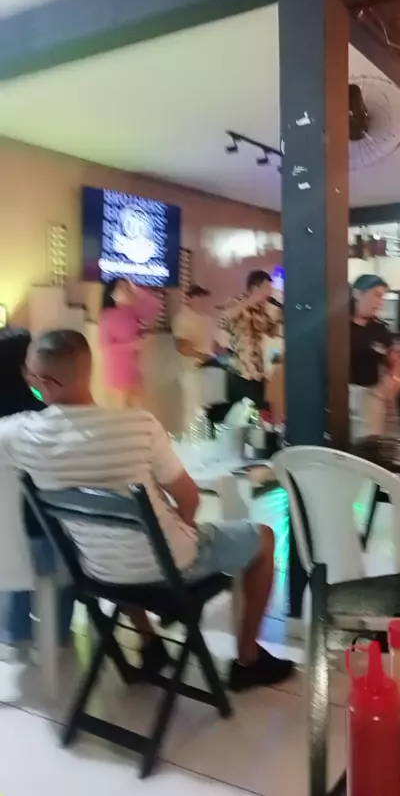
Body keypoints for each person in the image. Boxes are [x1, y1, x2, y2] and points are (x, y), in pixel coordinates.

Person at [0, 329, 293, 692]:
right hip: (169, 567)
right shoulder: (139, 425)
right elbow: (190, 499)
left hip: (98, 571)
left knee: (120, 537)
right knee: (264, 538)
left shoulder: (19, 434)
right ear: (89, 371)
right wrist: (184, 535)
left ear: (40, 381)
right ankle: (248, 659)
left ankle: (151, 642)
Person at [0, 328, 74, 648]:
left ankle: (14, 631)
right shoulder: (42, 414)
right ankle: (57, 633)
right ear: (25, 364)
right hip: (43, 529)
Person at [350, 274, 400, 440]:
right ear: (357, 293)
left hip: (369, 397)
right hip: (337, 396)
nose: (380, 303)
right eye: (376, 295)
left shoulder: (379, 329)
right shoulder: (337, 325)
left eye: (382, 297)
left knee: (367, 447)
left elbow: (395, 358)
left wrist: (396, 376)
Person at [221, 270, 281, 409]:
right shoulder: (237, 301)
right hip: (240, 372)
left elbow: (272, 331)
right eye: (267, 288)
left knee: (259, 415)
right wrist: (249, 301)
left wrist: (279, 313)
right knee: (238, 415)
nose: (270, 292)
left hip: (257, 373)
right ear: (255, 288)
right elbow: (224, 319)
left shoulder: (262, 308)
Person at [98, 278, 159, 408]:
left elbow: (154, 304)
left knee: (141, 410)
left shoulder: (133, 311)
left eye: (127, 287)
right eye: (121, 287)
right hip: (118, 372)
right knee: (122, 412)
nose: (126, 290)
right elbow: (105, 346)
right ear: (112, 294)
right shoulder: (107, 316)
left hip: (135, 370)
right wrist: (132, 345)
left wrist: (136, 289)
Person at [172, 285, 216, 432]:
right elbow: (182, 347)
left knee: (208, 407)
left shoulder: (208, 319)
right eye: (197, 297)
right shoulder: (182, 318)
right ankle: (192, 439)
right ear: (190, 298)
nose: (201, 301)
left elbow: (212, 343)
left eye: (203, 297)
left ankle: (207, 437)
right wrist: (202, 356)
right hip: (191, 369)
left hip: (210, 370)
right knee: (193, 406)